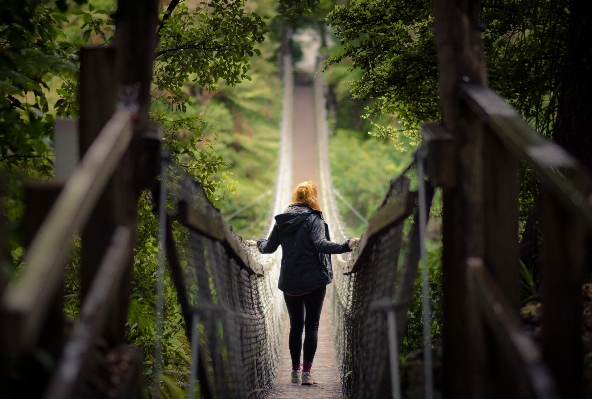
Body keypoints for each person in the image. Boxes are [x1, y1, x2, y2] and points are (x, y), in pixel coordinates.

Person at [247, 181, 359, 385]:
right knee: (312, 326)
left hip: (290, 281)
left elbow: (269, 247)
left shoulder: (283, 219)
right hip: (315, 280)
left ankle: (294, 372)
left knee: (296, 326)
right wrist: (346, 246)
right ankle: (307, 373)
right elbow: (320, 244)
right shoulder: (313, 218)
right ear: (313, 198)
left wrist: (258, 244)